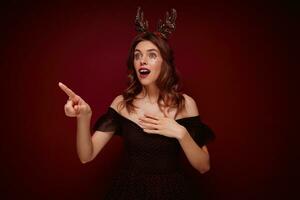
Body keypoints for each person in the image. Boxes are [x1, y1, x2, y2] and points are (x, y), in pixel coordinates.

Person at [58, 7, 215, 200]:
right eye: (137, 55)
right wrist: (84, 117)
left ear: (165, 62)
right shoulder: (122, 104)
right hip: (129, 191)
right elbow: (86, 156)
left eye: (151, 55)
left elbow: (204, 166)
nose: (142, 61)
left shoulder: (185, 104)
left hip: (171, 192)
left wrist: (180, 133)